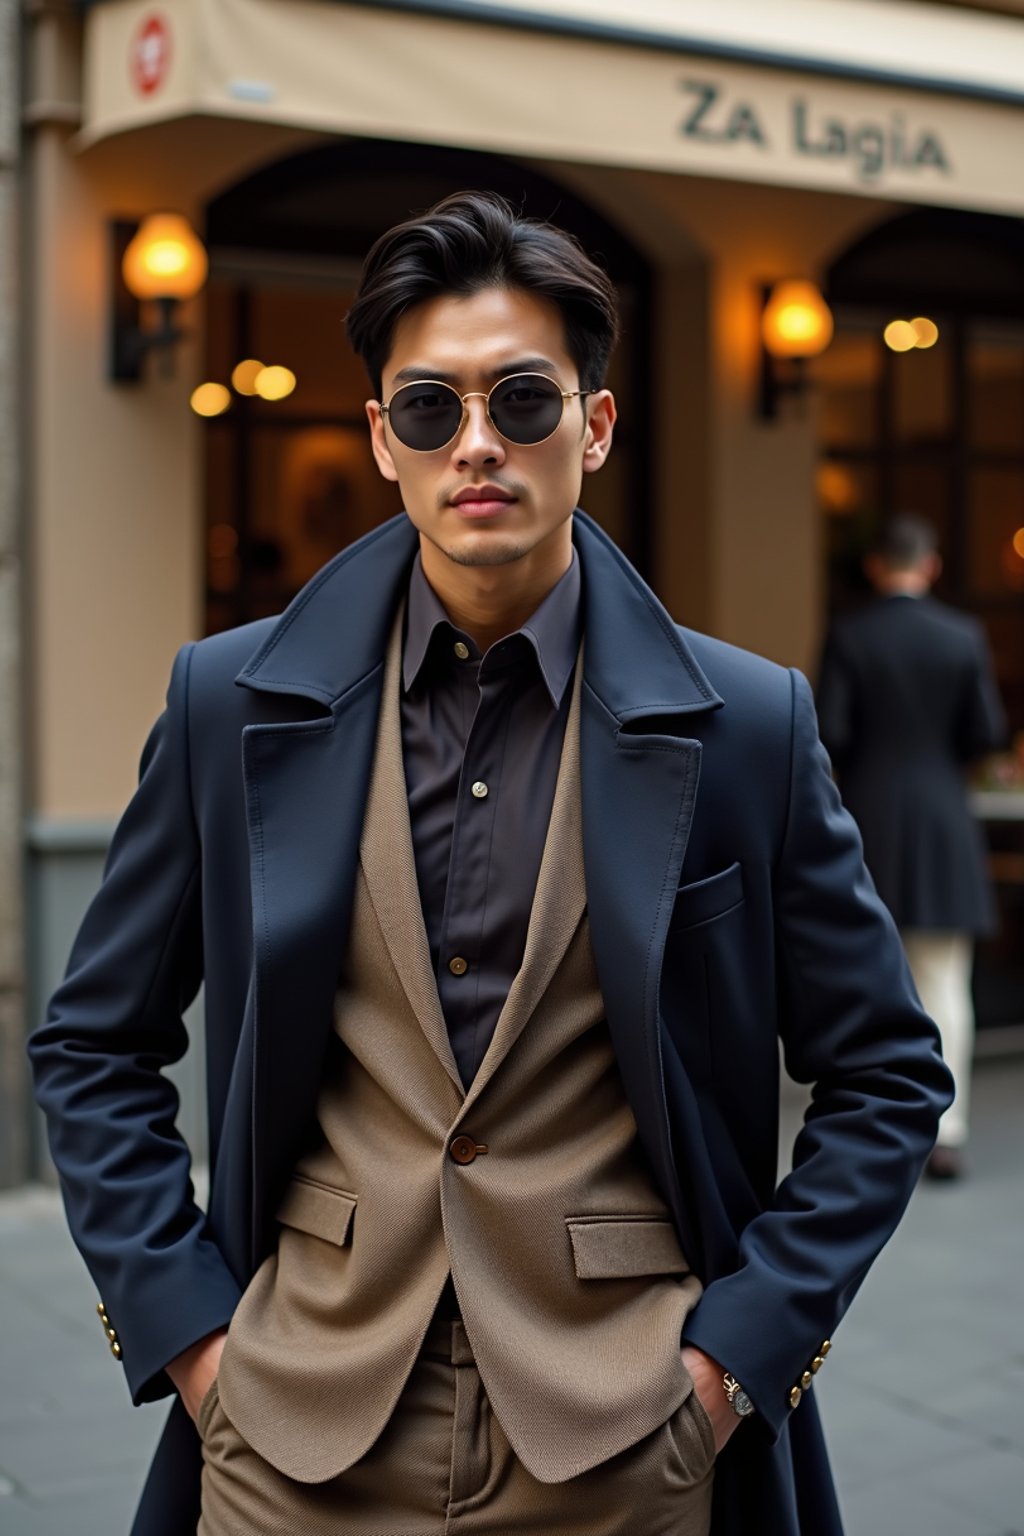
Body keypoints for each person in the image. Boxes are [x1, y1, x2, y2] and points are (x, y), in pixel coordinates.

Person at [30, 194, 952, 1536]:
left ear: (596, 424)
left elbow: (887, 1071)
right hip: (293, 1432)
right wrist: (194, 1346)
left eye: (523, 402)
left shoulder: (747, 724)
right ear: (381, 441)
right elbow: (92, 1045)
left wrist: (735, 1365)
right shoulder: (231, 704)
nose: (478, 445)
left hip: (630, 1440)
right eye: (428, 410)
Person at [816, 514, 1005, 1182]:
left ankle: (876, 1119)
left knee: (868, 978)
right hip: (943, 819)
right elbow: (985, 730)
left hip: (866, 820)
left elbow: (828, 731)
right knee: (945, 979)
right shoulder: (962, 636)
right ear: (931, 566)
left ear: (876, 566)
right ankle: (945, 1130)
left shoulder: (851, 633)